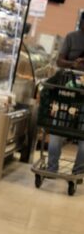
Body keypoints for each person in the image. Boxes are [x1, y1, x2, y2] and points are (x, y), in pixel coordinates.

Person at [47, 15, 84, 173]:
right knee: (58, 129)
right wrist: (73, 64)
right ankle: (52, 167)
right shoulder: (71, 37)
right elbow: (59, 61)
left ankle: (78, 171)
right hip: (67, 92)